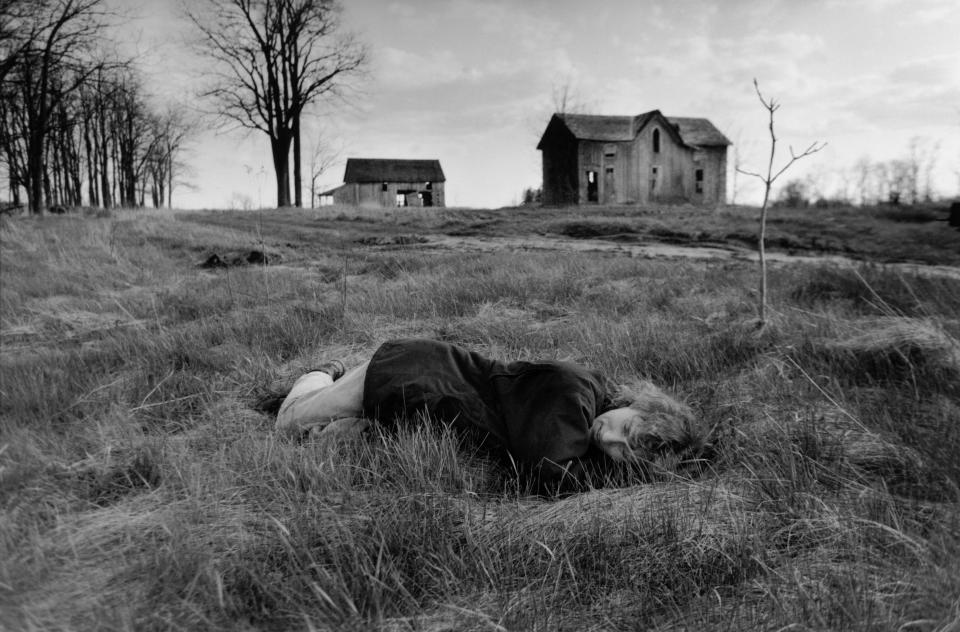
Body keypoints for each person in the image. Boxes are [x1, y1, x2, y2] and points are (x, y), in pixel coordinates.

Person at [259, 338, 703, 491]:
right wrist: (608, 478)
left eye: (622, 454)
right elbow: (545, 469)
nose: (609, 440)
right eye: (625, 428)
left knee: (328, 444)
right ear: (635, 403)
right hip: (405, 374)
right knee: (289, 422)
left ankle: (349, 416)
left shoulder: (585, 429)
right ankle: (323, 371)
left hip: (415, 407)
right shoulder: (576, 388)